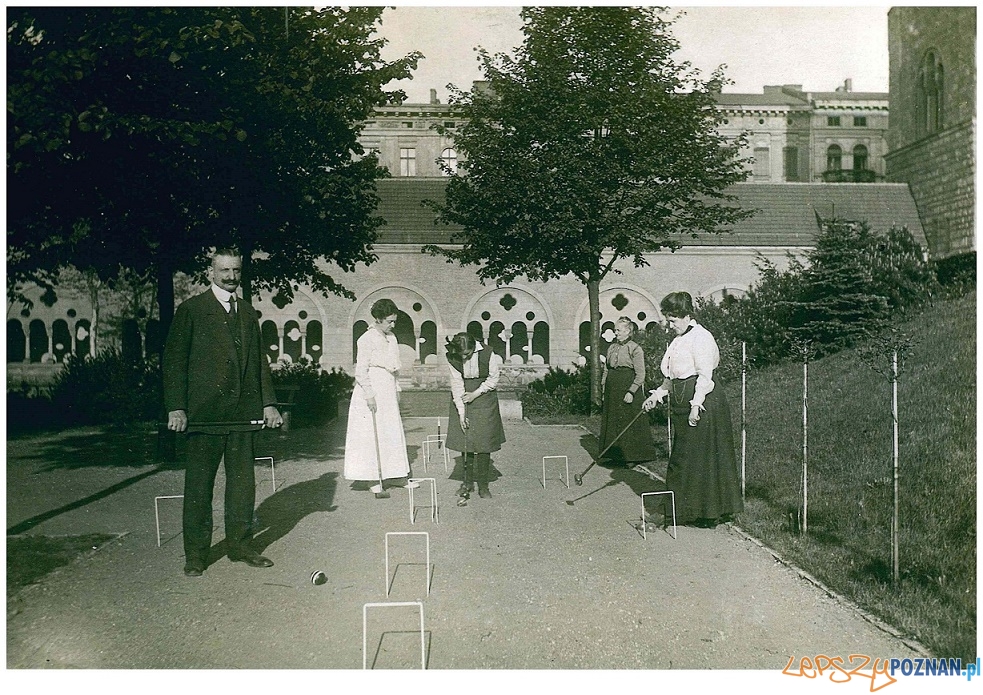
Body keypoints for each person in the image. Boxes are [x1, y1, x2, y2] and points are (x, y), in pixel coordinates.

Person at [164, 247, 283, 577]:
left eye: (236, 271)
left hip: (242, 414)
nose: (231, 277)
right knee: (199, 487)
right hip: (205, 414)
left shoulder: (247, 312)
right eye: (224, 271)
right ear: (211, 273)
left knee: (243, 486)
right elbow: (174, 362)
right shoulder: (191, 310)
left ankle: (241, 546)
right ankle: (197, 554)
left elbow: (260, 362)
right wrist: (176, 406)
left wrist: (268, 403)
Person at [643, 291, 742, 528]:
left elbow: (705, 375)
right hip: (682, 401)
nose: (670, 323)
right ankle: (687, 510)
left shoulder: (702, 337)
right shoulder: (678, 340)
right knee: (687, 458)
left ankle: (686, 512)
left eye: (674, 318)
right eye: (668, 318)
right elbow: (672, 377)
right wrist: (656, 396)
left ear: (687, 315)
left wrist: (696, 405)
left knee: (692, 459)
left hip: (704, 402)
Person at [343, 299, 415, 499]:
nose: (393, 325)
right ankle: (373, 478)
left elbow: (394, 368)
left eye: (394, 321)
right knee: (370, 435)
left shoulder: (391, 337)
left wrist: (397, 388)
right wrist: (369, 394)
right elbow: (361, 370)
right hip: (372, 390)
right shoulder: (366, 339)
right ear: (378, 319)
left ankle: (395, 474)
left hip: (388, 389)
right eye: (389, 321)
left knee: (390, 432)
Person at [444, 332, 506, 500]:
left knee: (484, 442)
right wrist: (462, 413)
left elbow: (493, 379)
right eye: (461, 355)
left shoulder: (487, 353)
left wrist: (475, 394)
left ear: (474, 348)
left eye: (468, 354)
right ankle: (467, 482)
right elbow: (456, 384)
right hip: (463, 396)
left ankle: (483, 485)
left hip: (484, 397)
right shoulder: (453, 357)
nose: (464, 358)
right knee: (467, 441)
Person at [598, 317, 658, 468]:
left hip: (628, 388)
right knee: (613, 420)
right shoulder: (611, 348)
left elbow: (640, 374)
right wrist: (604, 387)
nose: (615, 332)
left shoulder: (635, 349)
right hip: (613, 389)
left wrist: (631, 391)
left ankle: (631, 456)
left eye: (618, 330)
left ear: (627, 331)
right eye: (615, 329)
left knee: (627, 421)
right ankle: (614, 455)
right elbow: (607, 369)